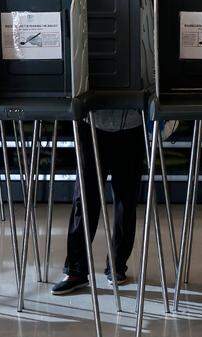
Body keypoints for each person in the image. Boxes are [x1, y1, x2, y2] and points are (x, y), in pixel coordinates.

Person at [50, 109, 146, 295]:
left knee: (126, 202)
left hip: (132, 124)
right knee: (84, 200)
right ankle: (76, 271)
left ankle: (117, 266)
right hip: (91, 120)